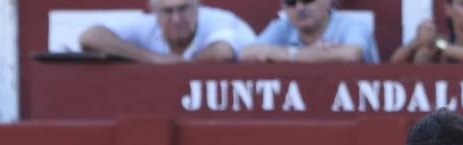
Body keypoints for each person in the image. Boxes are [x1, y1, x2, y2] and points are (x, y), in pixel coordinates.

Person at [78, 0, 255, 63]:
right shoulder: (147, 25)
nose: (176, 19)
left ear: (197, 6)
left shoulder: (218, 19)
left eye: (183, 8)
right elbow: (90, 37)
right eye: (168, 11)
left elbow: (222, 52)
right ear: (154, 11)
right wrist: (154, 59)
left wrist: (176, 66)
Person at [240, 0, 380, 64]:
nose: (300, 8)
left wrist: (288, 55)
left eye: (308, 0)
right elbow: (246, 54)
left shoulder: (352, 25)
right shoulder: (282, 27)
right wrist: (312, 54)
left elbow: (351, 55)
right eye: (291, 3)